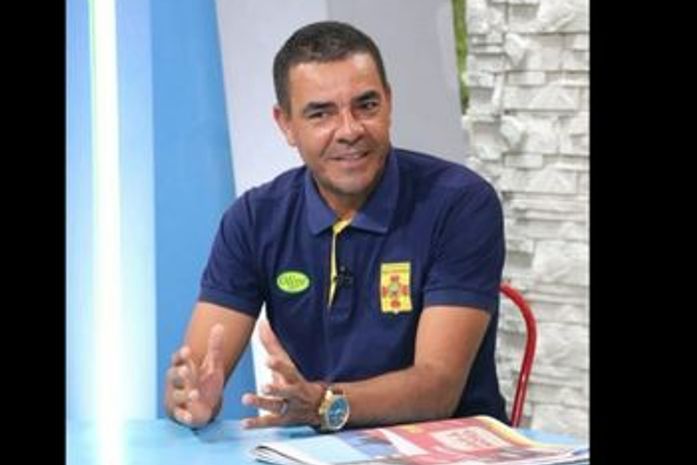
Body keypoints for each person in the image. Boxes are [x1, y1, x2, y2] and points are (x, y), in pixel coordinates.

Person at [164, 20, 508, 432]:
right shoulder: (254, 218)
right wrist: (190, 398)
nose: (349, 130)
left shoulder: (460, 203)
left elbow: (438, 388)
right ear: (285, 124)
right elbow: (199, 371)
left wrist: (324, 405)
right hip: (314, 450)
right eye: (321, 113)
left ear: (389, 103)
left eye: (366, 105)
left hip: (450, 447)